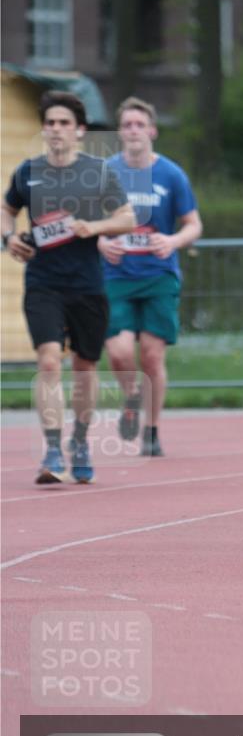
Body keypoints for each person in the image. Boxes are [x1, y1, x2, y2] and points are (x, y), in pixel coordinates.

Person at [1, 90, 136, 484]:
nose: (56, 130)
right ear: (44, 130)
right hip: (43, 282)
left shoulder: (97, 171)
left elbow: (126, 217)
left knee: (84, 368)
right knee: (47, 362)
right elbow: (7, 209)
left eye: (64, 123)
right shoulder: (28, 171)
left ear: (79, 131)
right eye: (50, 123)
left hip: (87, 285)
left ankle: (79, 441)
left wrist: (93, 227)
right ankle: (52, 449)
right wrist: (8, 239)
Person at [98, 97, 202, 457]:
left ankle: (152, 430)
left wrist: (171, 240)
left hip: (158, 275)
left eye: (140, 124)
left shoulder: (171, 175)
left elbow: (193, 224)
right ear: (119, 132)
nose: (133, 131)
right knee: (120, 353)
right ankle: (131, 396)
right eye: (126, 125)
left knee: (152, 356)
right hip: (116, 275)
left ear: (152, 131)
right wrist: (100, 241)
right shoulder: (105, 173)